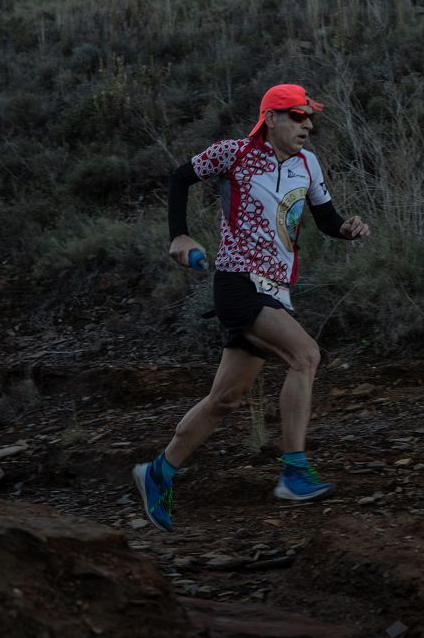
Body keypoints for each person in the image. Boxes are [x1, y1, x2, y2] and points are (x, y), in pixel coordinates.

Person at [132, 84, 371, 532]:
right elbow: (180, 177)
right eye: (298, 117)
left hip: (276, 290)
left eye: (309, 118)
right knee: (306, 355)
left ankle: (158, 472)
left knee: (224, 399)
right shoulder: (235, 153)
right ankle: (295, 472)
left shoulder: (308, 164)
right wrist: (179, 236)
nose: (308, 126)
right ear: (273, 119)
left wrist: (347, 229)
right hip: (237, 283)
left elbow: (325, 218)